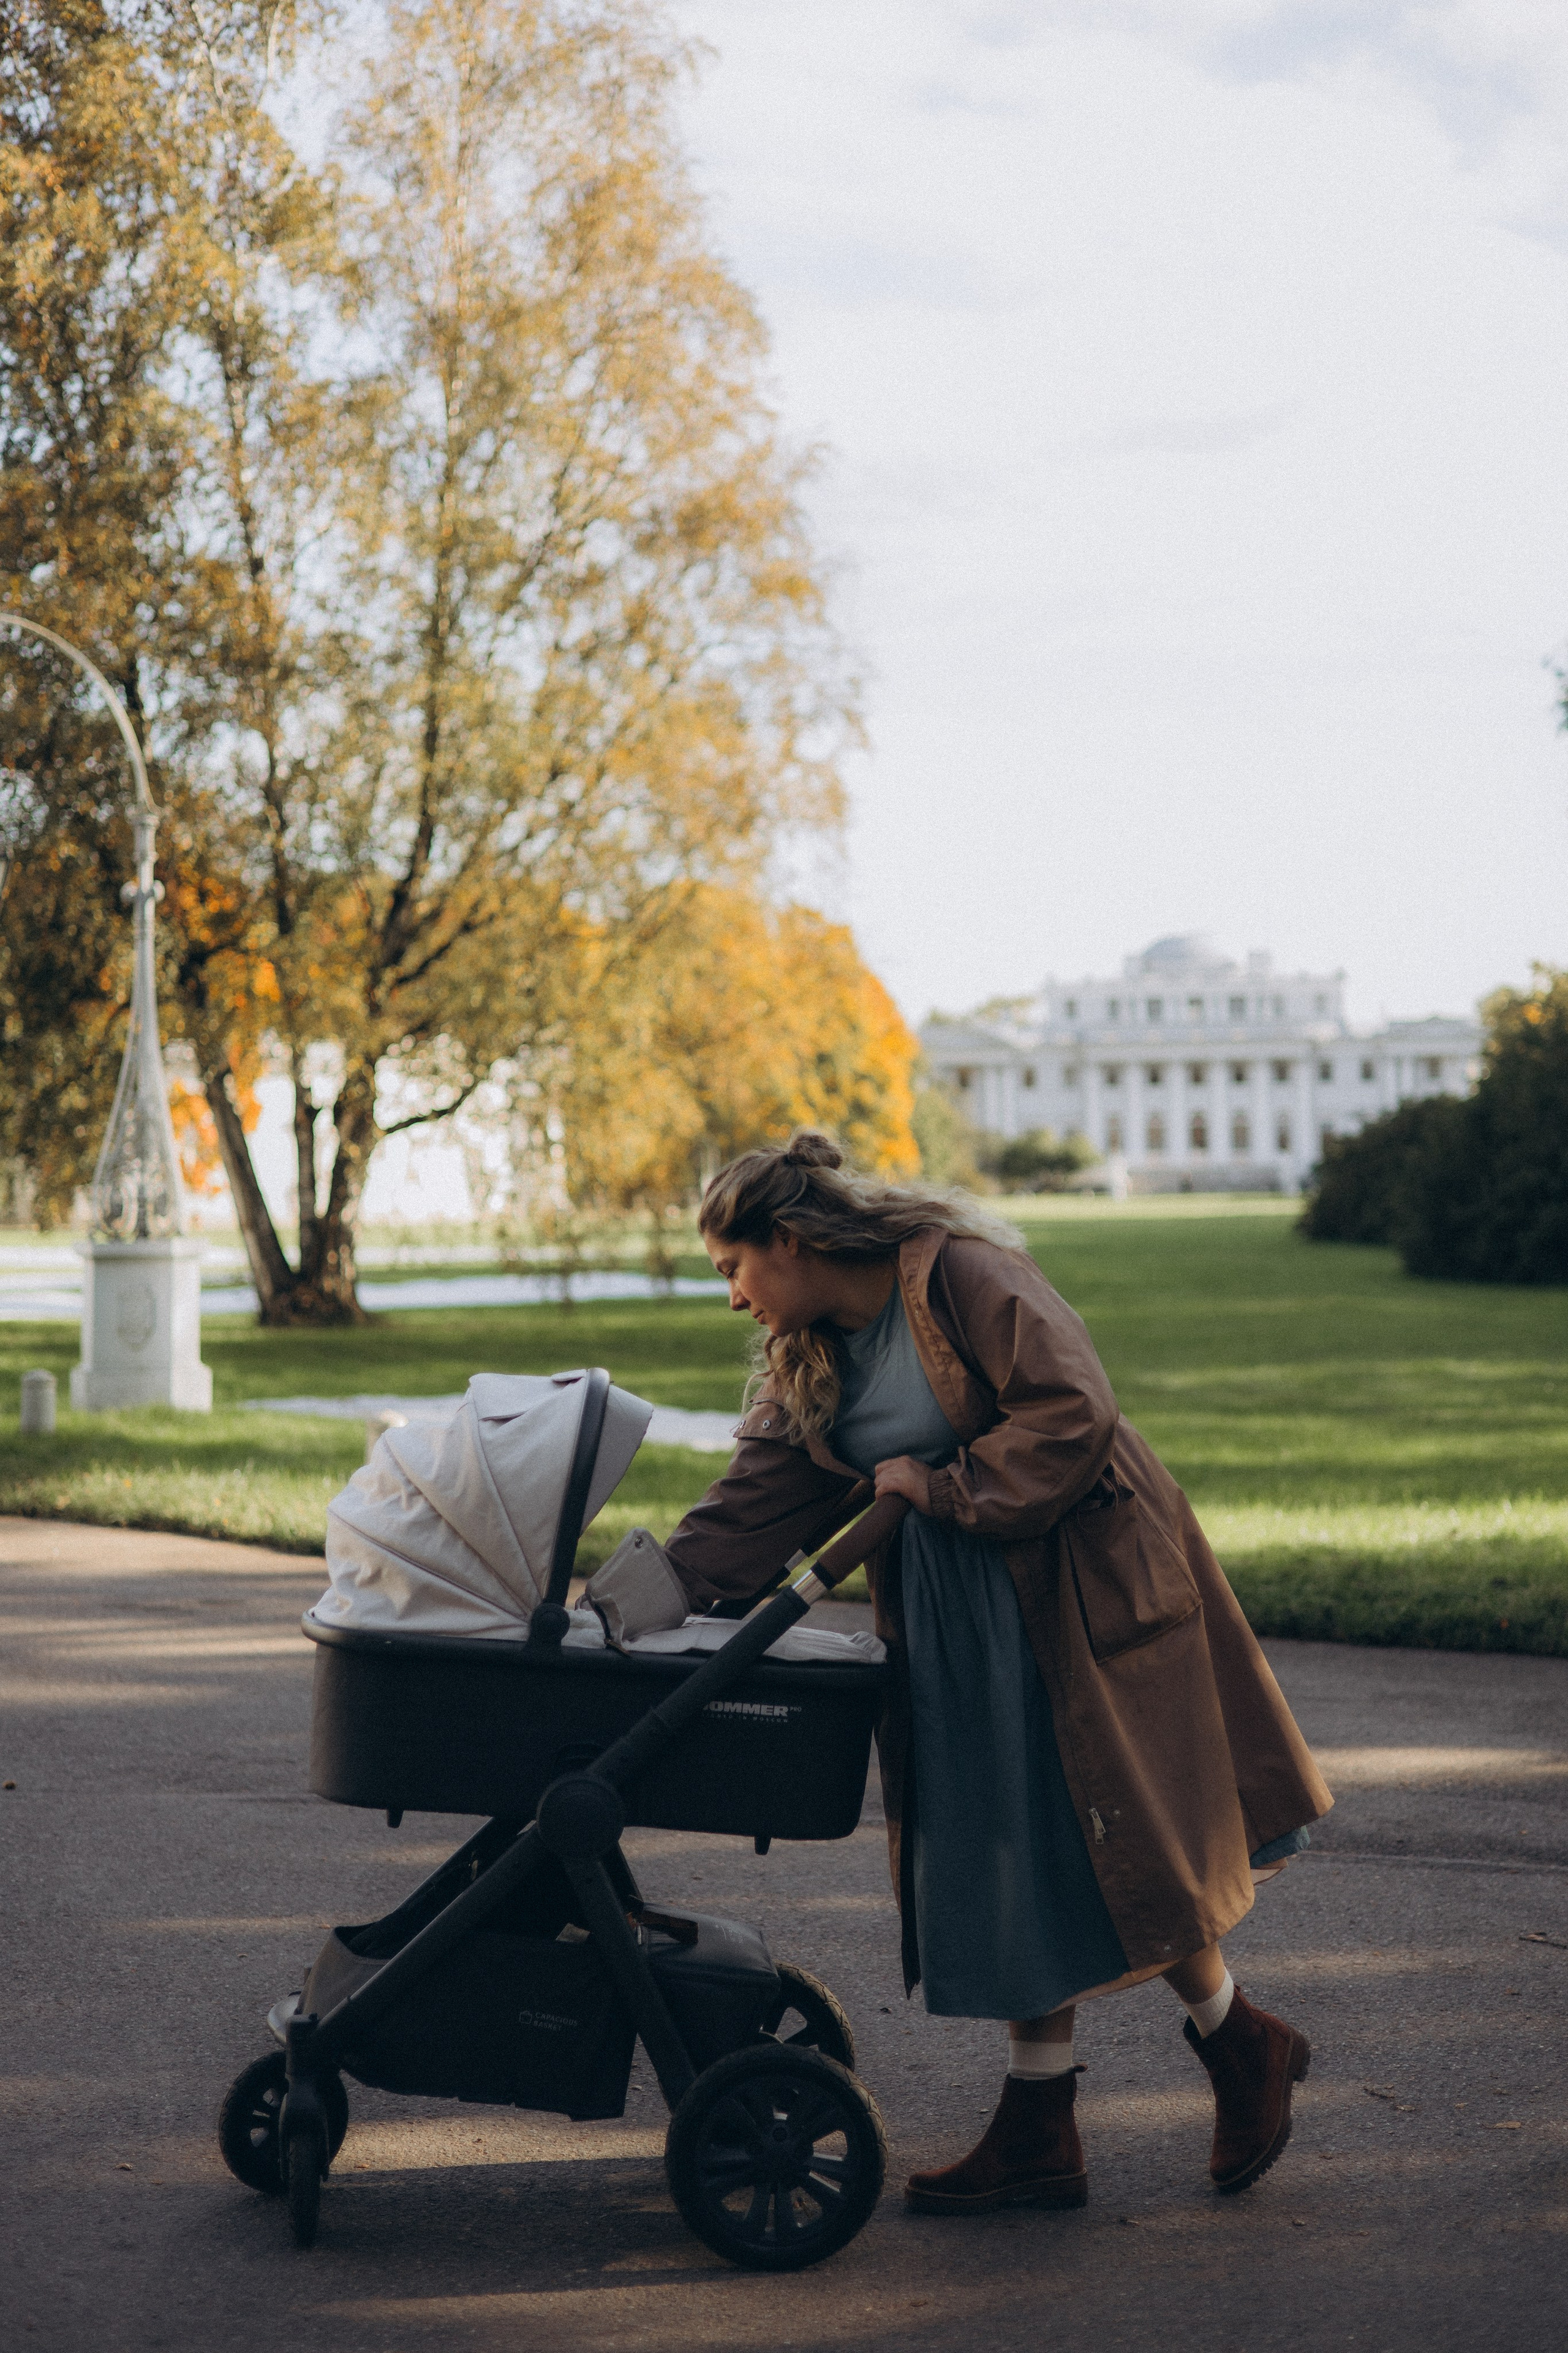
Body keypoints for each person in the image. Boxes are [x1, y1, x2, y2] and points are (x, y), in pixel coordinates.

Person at [660, 1130, 1332, 2215]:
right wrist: (645, 1596)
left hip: (1068, 1577)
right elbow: (757, 1499)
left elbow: (1073, 1408)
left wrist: (942, 1485)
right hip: (958, 1615)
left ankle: (1203, 2055)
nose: (732, 1296)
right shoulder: (809, 1355)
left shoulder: (961, 1276)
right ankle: (1070, 2109)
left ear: (788, 1240)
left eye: (733, 1267)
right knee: (1015, 1841)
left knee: (1108, 1823)